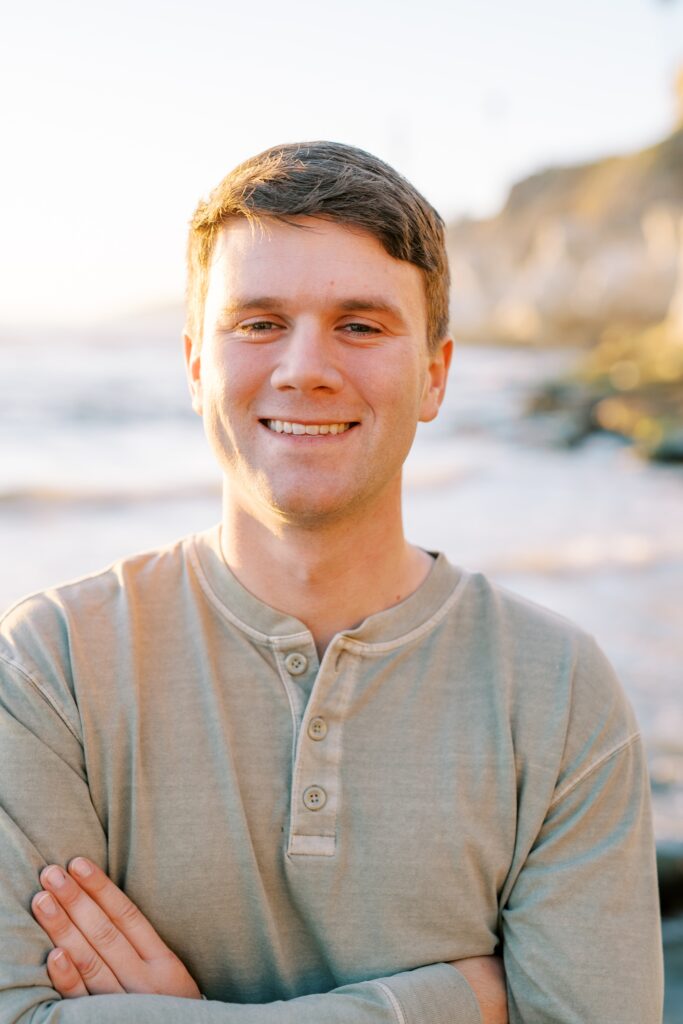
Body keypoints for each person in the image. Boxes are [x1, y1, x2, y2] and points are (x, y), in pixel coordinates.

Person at [0, 141, 663, 1024]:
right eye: (258, 322)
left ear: (433, 373)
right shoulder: (49, 668)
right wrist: (443, 1003)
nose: (304, 368)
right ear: (196, 363)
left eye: (360, 324)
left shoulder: (556, 691)